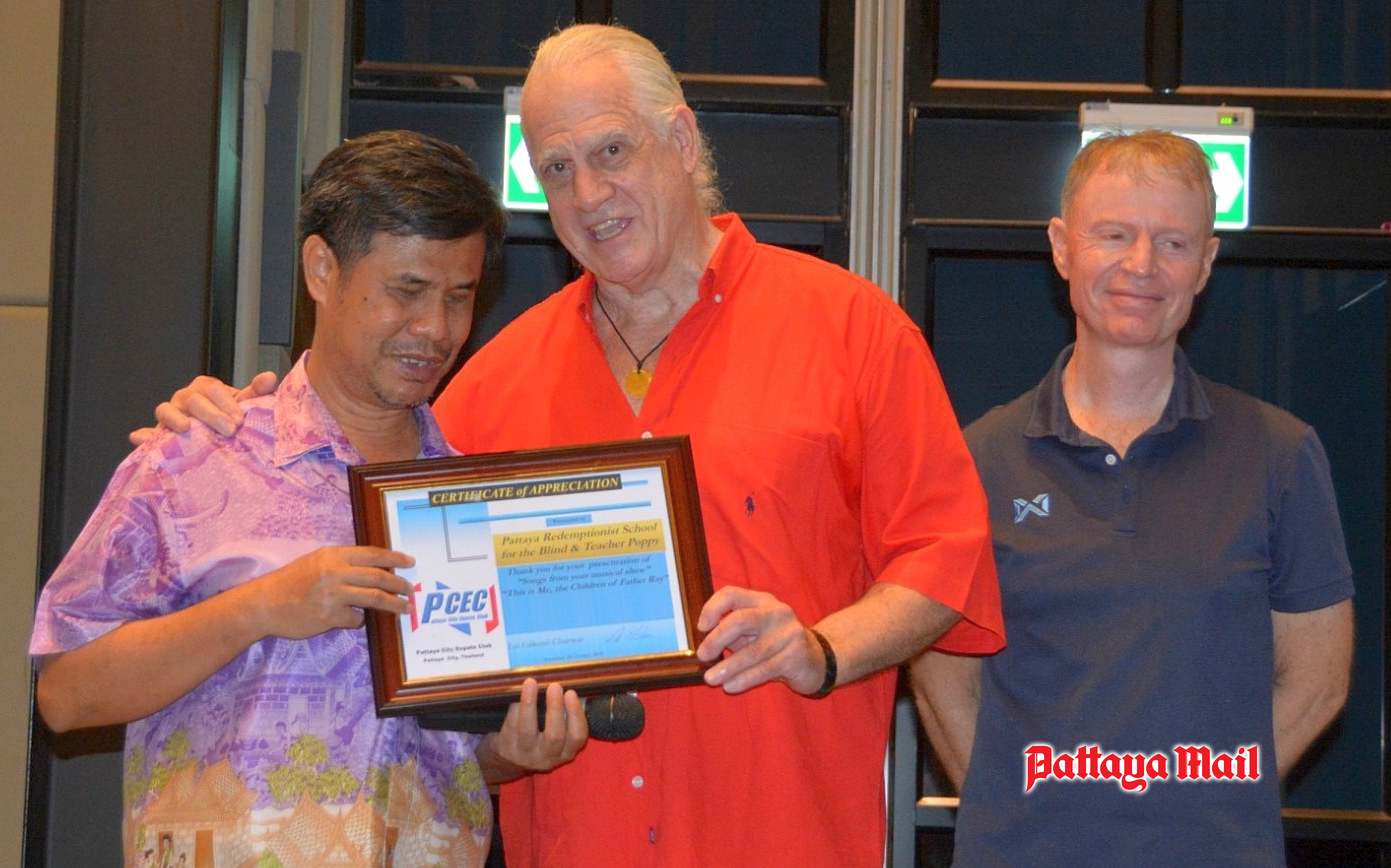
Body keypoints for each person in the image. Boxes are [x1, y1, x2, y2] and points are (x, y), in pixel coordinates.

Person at [139, 23, 1005, 867]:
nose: (588, 194)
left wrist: (820, 648)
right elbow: (362, 517)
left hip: (785, 841)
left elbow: (941, 562)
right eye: (556, 169)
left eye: (611, 152)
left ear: (681, 140)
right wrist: (238, 421)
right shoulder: (487, 386)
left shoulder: (850, 330)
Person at [32, 130, 587, 867]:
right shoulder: (197, 457)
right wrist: (260, 606)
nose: (436, 329)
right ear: (321, 269)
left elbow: (444, 765)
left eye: (459, 297)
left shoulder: (470, 497)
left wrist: (510, 754)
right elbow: (66, 694)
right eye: (407, 291)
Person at [910, 130, 1355, 866]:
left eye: (1173, 243)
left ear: (1205, 263)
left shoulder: (1280, 454)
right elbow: (940, 680)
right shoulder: (976, 460)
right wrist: (1030, 817)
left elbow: (1317, 683)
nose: (1141, 265)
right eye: (1113, 235)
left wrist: (1200, 810)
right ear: (1062, 248)